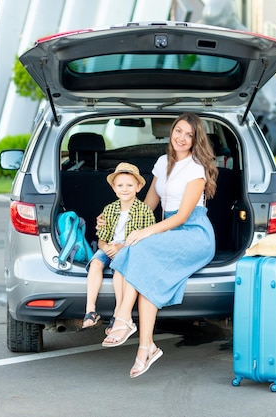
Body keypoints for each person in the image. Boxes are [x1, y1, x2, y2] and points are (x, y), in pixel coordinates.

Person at [100, 113, 219, 378]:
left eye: (189, 134)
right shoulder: (163, 162)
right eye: (178, 131)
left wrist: (143, 233)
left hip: (193, 234)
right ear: (171, 132)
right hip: (168, 230)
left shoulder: (196, 168)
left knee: (138, 249)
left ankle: (122, 318)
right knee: (144, 275)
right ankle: (146, 347)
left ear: (196, 139)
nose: (182, 138)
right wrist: (122, 226)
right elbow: (149, 205)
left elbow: (182, 216)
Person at [80, 162, 156, 330]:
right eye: (120, 185)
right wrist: (105, 247)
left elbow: (146, 241)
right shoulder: (109, 210)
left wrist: (121, 249)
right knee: (95, 264)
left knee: (119, 271)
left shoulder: (144, 211)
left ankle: (117, 314)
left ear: (138, 187)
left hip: (129, 249)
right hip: (109, 246)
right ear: (114, 188)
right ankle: (90, 310)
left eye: (129, 185)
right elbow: (101, 238)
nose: (125, 189)